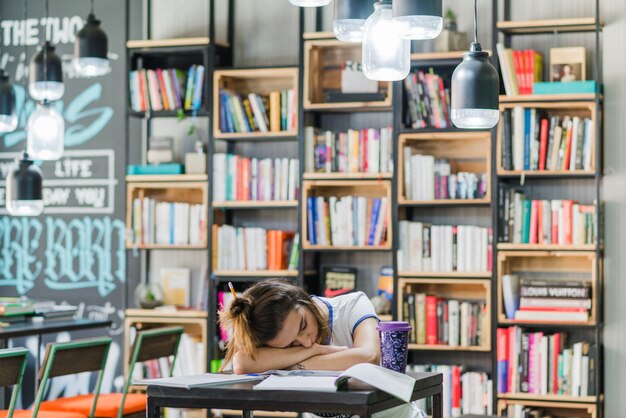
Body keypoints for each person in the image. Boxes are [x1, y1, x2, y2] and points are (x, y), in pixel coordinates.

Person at [219, 280, 381, 374]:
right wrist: (315, 351)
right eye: (291, 345)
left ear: (302, 299)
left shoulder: (354, 305)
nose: (307, 342)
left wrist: (288, 365)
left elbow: (369, 357)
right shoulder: (306, 345)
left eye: (303, 326)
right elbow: (241, 363)